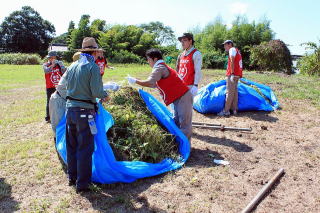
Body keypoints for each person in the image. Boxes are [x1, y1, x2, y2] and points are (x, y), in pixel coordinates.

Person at [64, 37, 109, 193]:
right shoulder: (92, 67)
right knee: (85, 147)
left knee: (72, 145)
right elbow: (97, 92)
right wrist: (105, 93)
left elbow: (67, 86)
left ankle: (72, 177)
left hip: (70, 110)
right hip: (85, 112)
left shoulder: (72, 66)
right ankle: (82, 184)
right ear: (95, 51)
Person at [126, 48, 193, 141]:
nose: (148, 61)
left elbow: (150, 82)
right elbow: (154, 84)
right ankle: (179, 143)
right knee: (177, 121)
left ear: (155, 59)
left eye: (149, 59)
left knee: (184, 124)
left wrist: (135, 81)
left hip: (183, 97)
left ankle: (186, 147)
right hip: (178, 97)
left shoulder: (159, 67)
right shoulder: (161, 66)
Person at [218, 40, 243, 116]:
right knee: (234, 93)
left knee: (229, 92)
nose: (224, 46)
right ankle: (234, 110)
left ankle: (226, 111)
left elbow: (232, 60)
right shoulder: (237, 50)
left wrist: (232, 73)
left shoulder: (231, 49)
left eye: (225, 45)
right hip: (237, 74)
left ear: (229, 44)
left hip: (232, 74)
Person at [176, 33, 202, 97]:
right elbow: (177, 70)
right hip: (180, 85)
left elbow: (197, 70)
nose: (182, 43)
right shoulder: (181, 55)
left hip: (190, 86)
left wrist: (195, 85)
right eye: (181, 41)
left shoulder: (196, 53)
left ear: (190, 41)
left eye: (184, 40)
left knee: (188, 106)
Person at [43, 51, 66, 122]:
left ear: (55, 58)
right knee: (49, 101)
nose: (51, 59)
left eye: (53, 58)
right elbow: (46, 71)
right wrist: (52, 65)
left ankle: (63, 114)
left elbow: (64, 72)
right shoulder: (45, 65)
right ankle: (48, 117)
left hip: (59, 86)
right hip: (50, 86)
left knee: (62, 100)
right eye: (50, 58)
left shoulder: (59, 64)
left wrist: (61, 65)